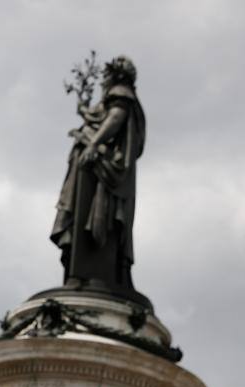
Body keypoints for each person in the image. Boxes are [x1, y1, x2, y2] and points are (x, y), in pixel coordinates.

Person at [50, 55, 146, 297]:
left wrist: (93, 144)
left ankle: (88, 273)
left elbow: (115, 118)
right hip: (92, 171)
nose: (103, 80)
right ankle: (80, 272)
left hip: (103, 173)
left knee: (97, 218)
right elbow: (101, 116)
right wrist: (84, 109)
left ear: (116, 76)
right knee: (85, 216)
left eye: (106, 75)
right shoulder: (110, 100)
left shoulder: (121, 95)